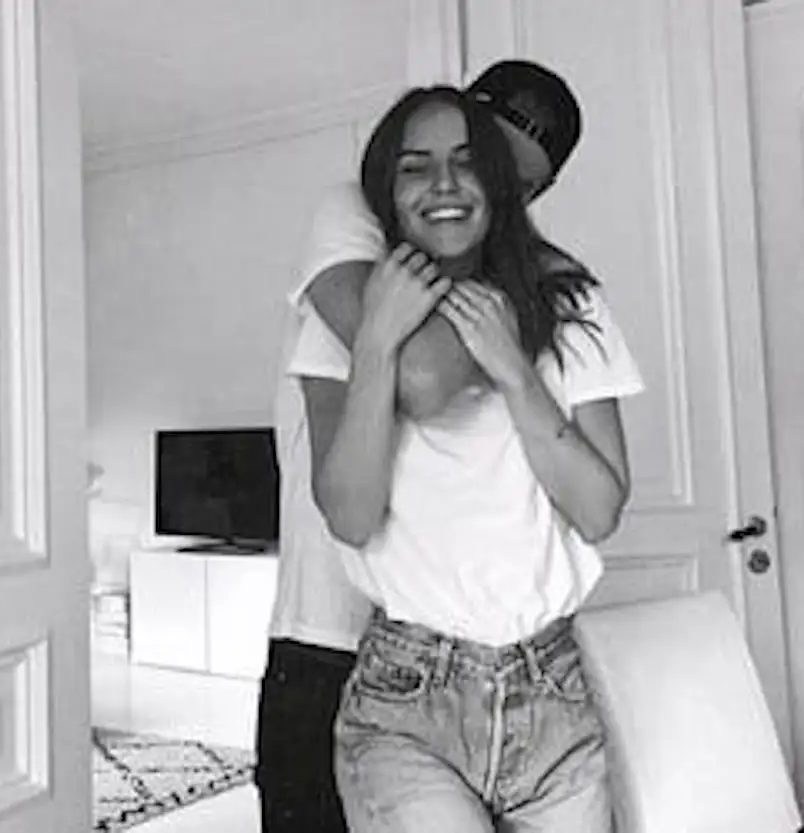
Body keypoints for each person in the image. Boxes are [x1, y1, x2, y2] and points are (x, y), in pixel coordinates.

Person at [256, 60, 611, 833]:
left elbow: (597, 500)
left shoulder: (541, 282)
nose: (480, 191)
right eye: (483, 159)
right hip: (333, 631)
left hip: (516, 660)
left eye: (520, 185)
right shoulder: (351, 210)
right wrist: (521, 289)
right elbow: (422, 377)